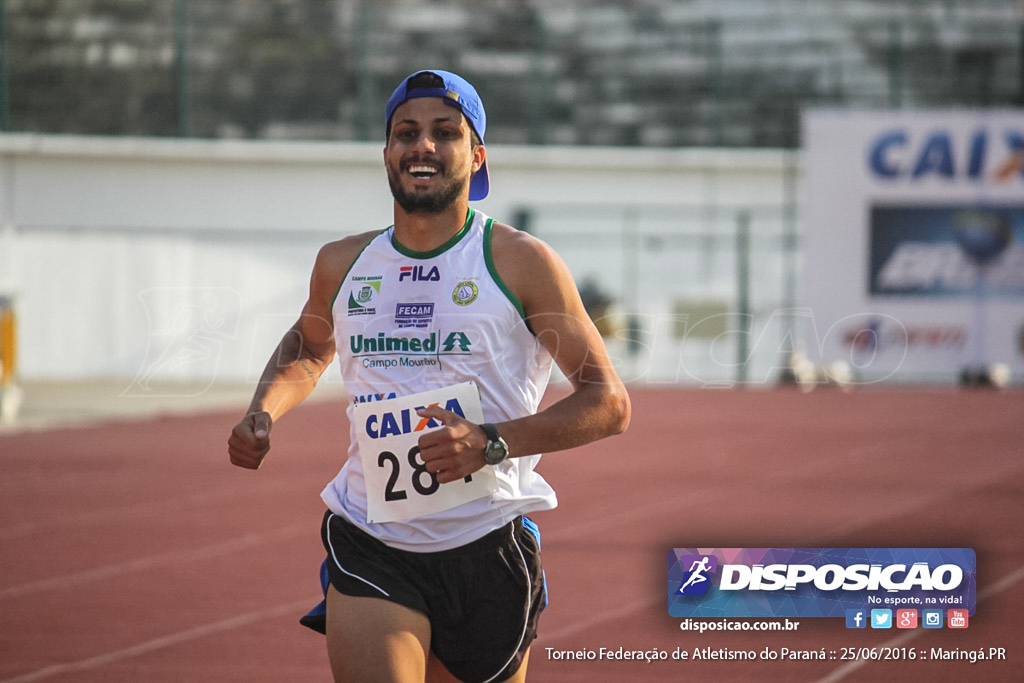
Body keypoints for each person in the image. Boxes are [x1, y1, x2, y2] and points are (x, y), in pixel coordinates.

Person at [228, 69, 630, 683]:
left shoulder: (521, 262)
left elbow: (609, 402)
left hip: (488, 545)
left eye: (445, 132)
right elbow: (309, 349)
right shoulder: (343, 264)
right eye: (406, 132)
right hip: (371, 537)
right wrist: (265, 409)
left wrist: (491, 441)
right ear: (387, 153)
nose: (424, 146)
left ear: (477, 155)